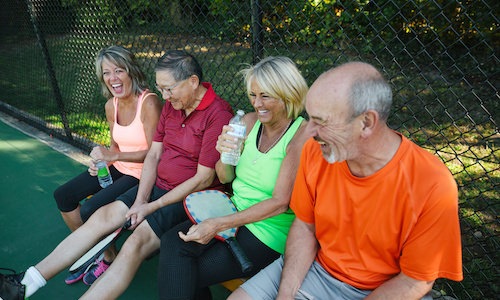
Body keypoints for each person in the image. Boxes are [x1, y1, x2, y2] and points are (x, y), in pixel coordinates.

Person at [0, 49, 233, 300]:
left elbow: (203, 178)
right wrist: (141, 200)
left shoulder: (218, 114)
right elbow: (154, 156)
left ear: (193, 82)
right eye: (161, 88)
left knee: (133, 245)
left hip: (188, 197)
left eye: (169, 89)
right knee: (99, 218)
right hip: (157, 186)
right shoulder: (172, 106)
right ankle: (27, 282)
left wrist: (150, 206)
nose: (165, 96)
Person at [229, 61, 463, 300]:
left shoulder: (432, 183)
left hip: (382, 289)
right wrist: (286, 295)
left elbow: (416, 279)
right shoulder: (315, 150)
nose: (309, 131)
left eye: (321, 121)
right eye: (310, 118)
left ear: (366, 122)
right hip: (314, 269)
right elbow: (305, 226)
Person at [155, 56, 312, 300]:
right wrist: (227, 155)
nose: (256, 103)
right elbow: (225, 176)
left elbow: (280, 203)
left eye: (265, 96)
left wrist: (219, 224)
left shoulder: (300, 136)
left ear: (287, 94)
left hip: (268, 231)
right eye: (252, 94)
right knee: (172, 243)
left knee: (185, 271)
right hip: (231, 209)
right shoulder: (248, 123)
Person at [52, 45, 162, 285]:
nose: (113, 79)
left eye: (119, 71)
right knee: (63, 195)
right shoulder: (110, 105)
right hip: (118, 167)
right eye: (106, 73)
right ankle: (104, 251)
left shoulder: (149, 102)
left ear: (131, 71)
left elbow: (156, 154)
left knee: (89, 210)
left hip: (142, 175)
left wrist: (114, 157)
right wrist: (101, 161)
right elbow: (115, 147)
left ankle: (106, 256)